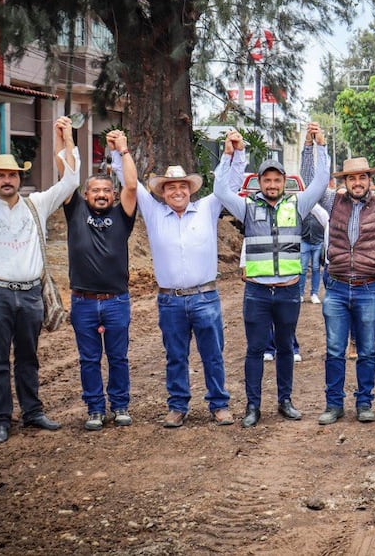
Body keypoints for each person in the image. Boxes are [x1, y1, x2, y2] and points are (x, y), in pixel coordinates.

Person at [0, 116, 78, 444]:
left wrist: (68, 139)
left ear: (19, 177)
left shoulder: (36, 205)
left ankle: (32, 412)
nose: (7, 179)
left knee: (28, 356)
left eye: (12, 174)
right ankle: (1, 419)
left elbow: (70, 182)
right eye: (1, 175)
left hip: (30, 295)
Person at [214, 124, 328, 427]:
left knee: (286, 348)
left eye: (278, 180)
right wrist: (227, 156)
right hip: (258, 292)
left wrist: (321, 146)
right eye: (268, 180)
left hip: (289, 290)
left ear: (284, 182)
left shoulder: (298, 205)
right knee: (254, 350)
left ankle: (285, 401)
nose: (273, 184)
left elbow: (320, 182)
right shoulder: (247, 208)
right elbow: (221, 191)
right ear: (260, 183)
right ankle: (253, 406)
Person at [314, 126, 375, 425]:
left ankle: (364, 403)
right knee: (334, 349)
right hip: (337, 286)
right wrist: (314, 147)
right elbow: (313, 185)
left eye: (362, 177)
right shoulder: (334, 202)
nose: (357, 183)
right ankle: (334, 405)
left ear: (370, 180)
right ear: (344, 182)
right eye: (351, 178)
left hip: (369, 288)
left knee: (367, 350)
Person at [133, 159, 232, 428]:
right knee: (175, 355)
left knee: (213, 353)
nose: (177, 191)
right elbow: (132, 184)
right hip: (170, 299)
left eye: (182, 186)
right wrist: (121, 152)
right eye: (171, 187)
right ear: (163, 192)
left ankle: (219, 404)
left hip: (205, 296)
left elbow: (226, 184)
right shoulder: (154, 213)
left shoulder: (207, 208)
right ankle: (178, 406)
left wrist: (231, 154)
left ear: (191, 189)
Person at [64, 129, 137, 431]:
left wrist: (123, 149)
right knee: (89, 359)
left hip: (116, 300)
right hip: (82, 301)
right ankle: (95, 408)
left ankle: (119, 405)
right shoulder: (75, 211)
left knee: (118, 357)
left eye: (107, 190)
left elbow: (131, 184)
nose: (102, 195)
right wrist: (68, 139)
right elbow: (68, 175)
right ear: (86, 195)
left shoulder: (123, 215)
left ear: (113, 195)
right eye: (95, 191)